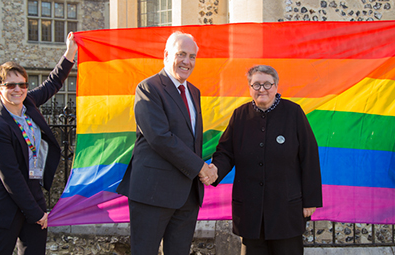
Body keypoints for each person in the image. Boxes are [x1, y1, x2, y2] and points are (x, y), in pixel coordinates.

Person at [116, 31, 218, 255]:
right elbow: (160, 138)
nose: (187, 61)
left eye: (192, 56)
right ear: (166, 55)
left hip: (188, 194)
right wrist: (200, 167)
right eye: (181, 54)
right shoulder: (148, 88)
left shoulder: (194, 92)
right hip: (153, 192)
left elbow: (190, 140)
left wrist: (206, 168)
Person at [0, 32, 78, 254]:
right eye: (10, 85)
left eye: (22, 84)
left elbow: (52, 83)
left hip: (32, 198)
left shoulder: (28, 103)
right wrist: (36, 213)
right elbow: (11, 176)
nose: (18, 89)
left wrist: (70, 52)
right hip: (2, 207)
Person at [210, 65, 323, 255]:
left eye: (267, 84)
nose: (262, 89)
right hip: (250, 211)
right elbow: (226, 153)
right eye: (256, 85)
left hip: (286, 210)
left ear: (276, 86)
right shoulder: (240, 115)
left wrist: (310, 201)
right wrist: (213, 172)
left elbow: (309, 156)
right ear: (250, 88)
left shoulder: (294, 113)